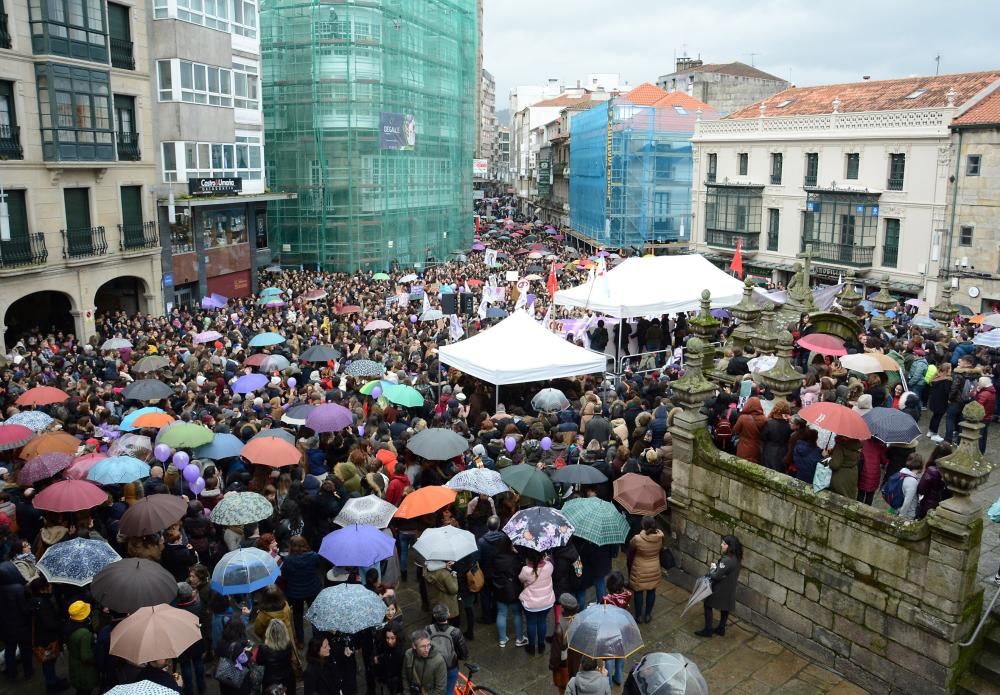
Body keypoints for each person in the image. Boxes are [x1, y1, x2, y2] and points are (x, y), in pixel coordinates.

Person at [695, 535, 742, 638]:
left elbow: (716, 576)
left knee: (707, 604)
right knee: (725, 608)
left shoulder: (727, 560)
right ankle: (721, 628)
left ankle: (708, 630)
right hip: (730, 587)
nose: (721, 545)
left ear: (730, 546)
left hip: (721, 588)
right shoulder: (737, 558)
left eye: (724, 544)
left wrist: (712, 569)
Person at [281, 535, 322, 646]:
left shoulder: (288, 560)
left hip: (295, 593)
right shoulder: (313, 556)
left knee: (297, 616)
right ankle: (317, 638)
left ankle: (300, 640)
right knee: (314, 615)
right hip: (312, 589)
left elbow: (283, 575)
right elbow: (318, 567)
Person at [0, 557, 32, 682]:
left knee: (9, 649)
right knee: (25, 648)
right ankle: (28, 671)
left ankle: (12, 673)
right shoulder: (18, 589)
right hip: (21, 626)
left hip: (5, 627)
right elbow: (25, 609)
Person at [491, 535, 526, 648]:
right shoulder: (514, 558)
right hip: (514, 590)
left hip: (499, 589)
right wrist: (519, 554)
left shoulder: (494, 558)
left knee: (501, 613)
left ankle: (502, 639)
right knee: (517, 614)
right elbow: (521, 572)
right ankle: (519, 638)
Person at [627, 515, 663, 624]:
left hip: (640, 569)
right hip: (654, 568)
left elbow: (631, 546)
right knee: (651, 591)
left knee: (638, 591)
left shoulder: (638, 539)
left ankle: (638, 616)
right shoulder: (660, 538)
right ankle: (647, 615)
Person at [519, 549, 555, 656]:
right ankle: (541, 645)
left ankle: (531, 647)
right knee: (542, 622)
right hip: (546, 602)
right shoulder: (549, 566)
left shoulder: (526, 570)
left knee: (531, 623)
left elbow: (521, 579)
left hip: (531, 604)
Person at [425, 603, 466, 695]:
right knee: (449, 691)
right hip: (451, 666)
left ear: (434, 616)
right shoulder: (455, 632)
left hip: (433, 666)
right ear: (448, 615)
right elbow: (464, 654)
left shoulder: (428, 629)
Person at [599, 571, 631, 686]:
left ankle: (608, 683)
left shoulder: (607, 599)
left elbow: (602, 613)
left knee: (609, 657)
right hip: (622, 629)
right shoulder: (627, 594)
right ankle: (618, 677)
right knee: (620, 653)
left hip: (609, 631)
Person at [549, 593, 581, 695]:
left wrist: (553, 666)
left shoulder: (559, 628)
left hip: (564, 664)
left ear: (563, 608)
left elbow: (556, 653)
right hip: (578, 661)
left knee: (564, 688)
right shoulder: (580, 620)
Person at [255, 618, 296, 694]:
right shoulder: (288, 645)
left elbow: (259, 661)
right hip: (288, 679)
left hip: (271, 682)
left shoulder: (263, 648)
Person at [402, 629, 447, 695]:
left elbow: (440, 689)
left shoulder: (438, 661)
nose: (426, 649)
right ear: (414, 646)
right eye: (422, 646)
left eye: (428, 645)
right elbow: (404, 675)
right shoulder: (408, 655)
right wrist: (407, 692)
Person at [66, 601, 98, 695]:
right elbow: (86, 656)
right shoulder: (84, 634)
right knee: (85, 691)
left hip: (74, 665)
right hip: (84, 672)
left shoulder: (69, 626)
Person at [760, 400, 792, 471]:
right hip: (783, 451)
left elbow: (763, 437)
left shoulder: (769, 423)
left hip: (769, 450)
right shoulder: (789, 426)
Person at [733, 397, 766, 464]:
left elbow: (735, 430)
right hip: (757, 447)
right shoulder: (764, 419)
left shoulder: (742, 418)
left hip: (743, 447)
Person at [858, 436, 888, 505]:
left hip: (863, 472)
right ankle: (866, 512)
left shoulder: (864, 442)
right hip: (874, 475)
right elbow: (884, 461)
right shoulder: (880, 446)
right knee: (870, 495)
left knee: (860, 493)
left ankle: (857, 509)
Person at [927, 363, 952, 441]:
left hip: (934, 401)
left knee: (934, 416)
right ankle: (934, 434)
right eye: (950, 368)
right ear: (947, 370)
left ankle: (930, 431)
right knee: (938, 417)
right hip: (941, 402)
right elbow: (947, 392)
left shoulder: (936, 377)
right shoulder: (947, 380)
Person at [897, 453, 923, 520]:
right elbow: (907, 502)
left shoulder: (902, 473)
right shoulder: (912, 481)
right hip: (907, 514)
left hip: (898, 507)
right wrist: (901, 517)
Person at [975, 375, 996, 454]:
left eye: (979, 382)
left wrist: (977, 392)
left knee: (980, 436)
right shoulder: (991, 392)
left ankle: (979, 453)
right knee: (984, 436)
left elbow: (977, 406)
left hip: (983, 418)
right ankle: (981, 452)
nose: (978, 384)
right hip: (988, 417)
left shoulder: (984, 394)